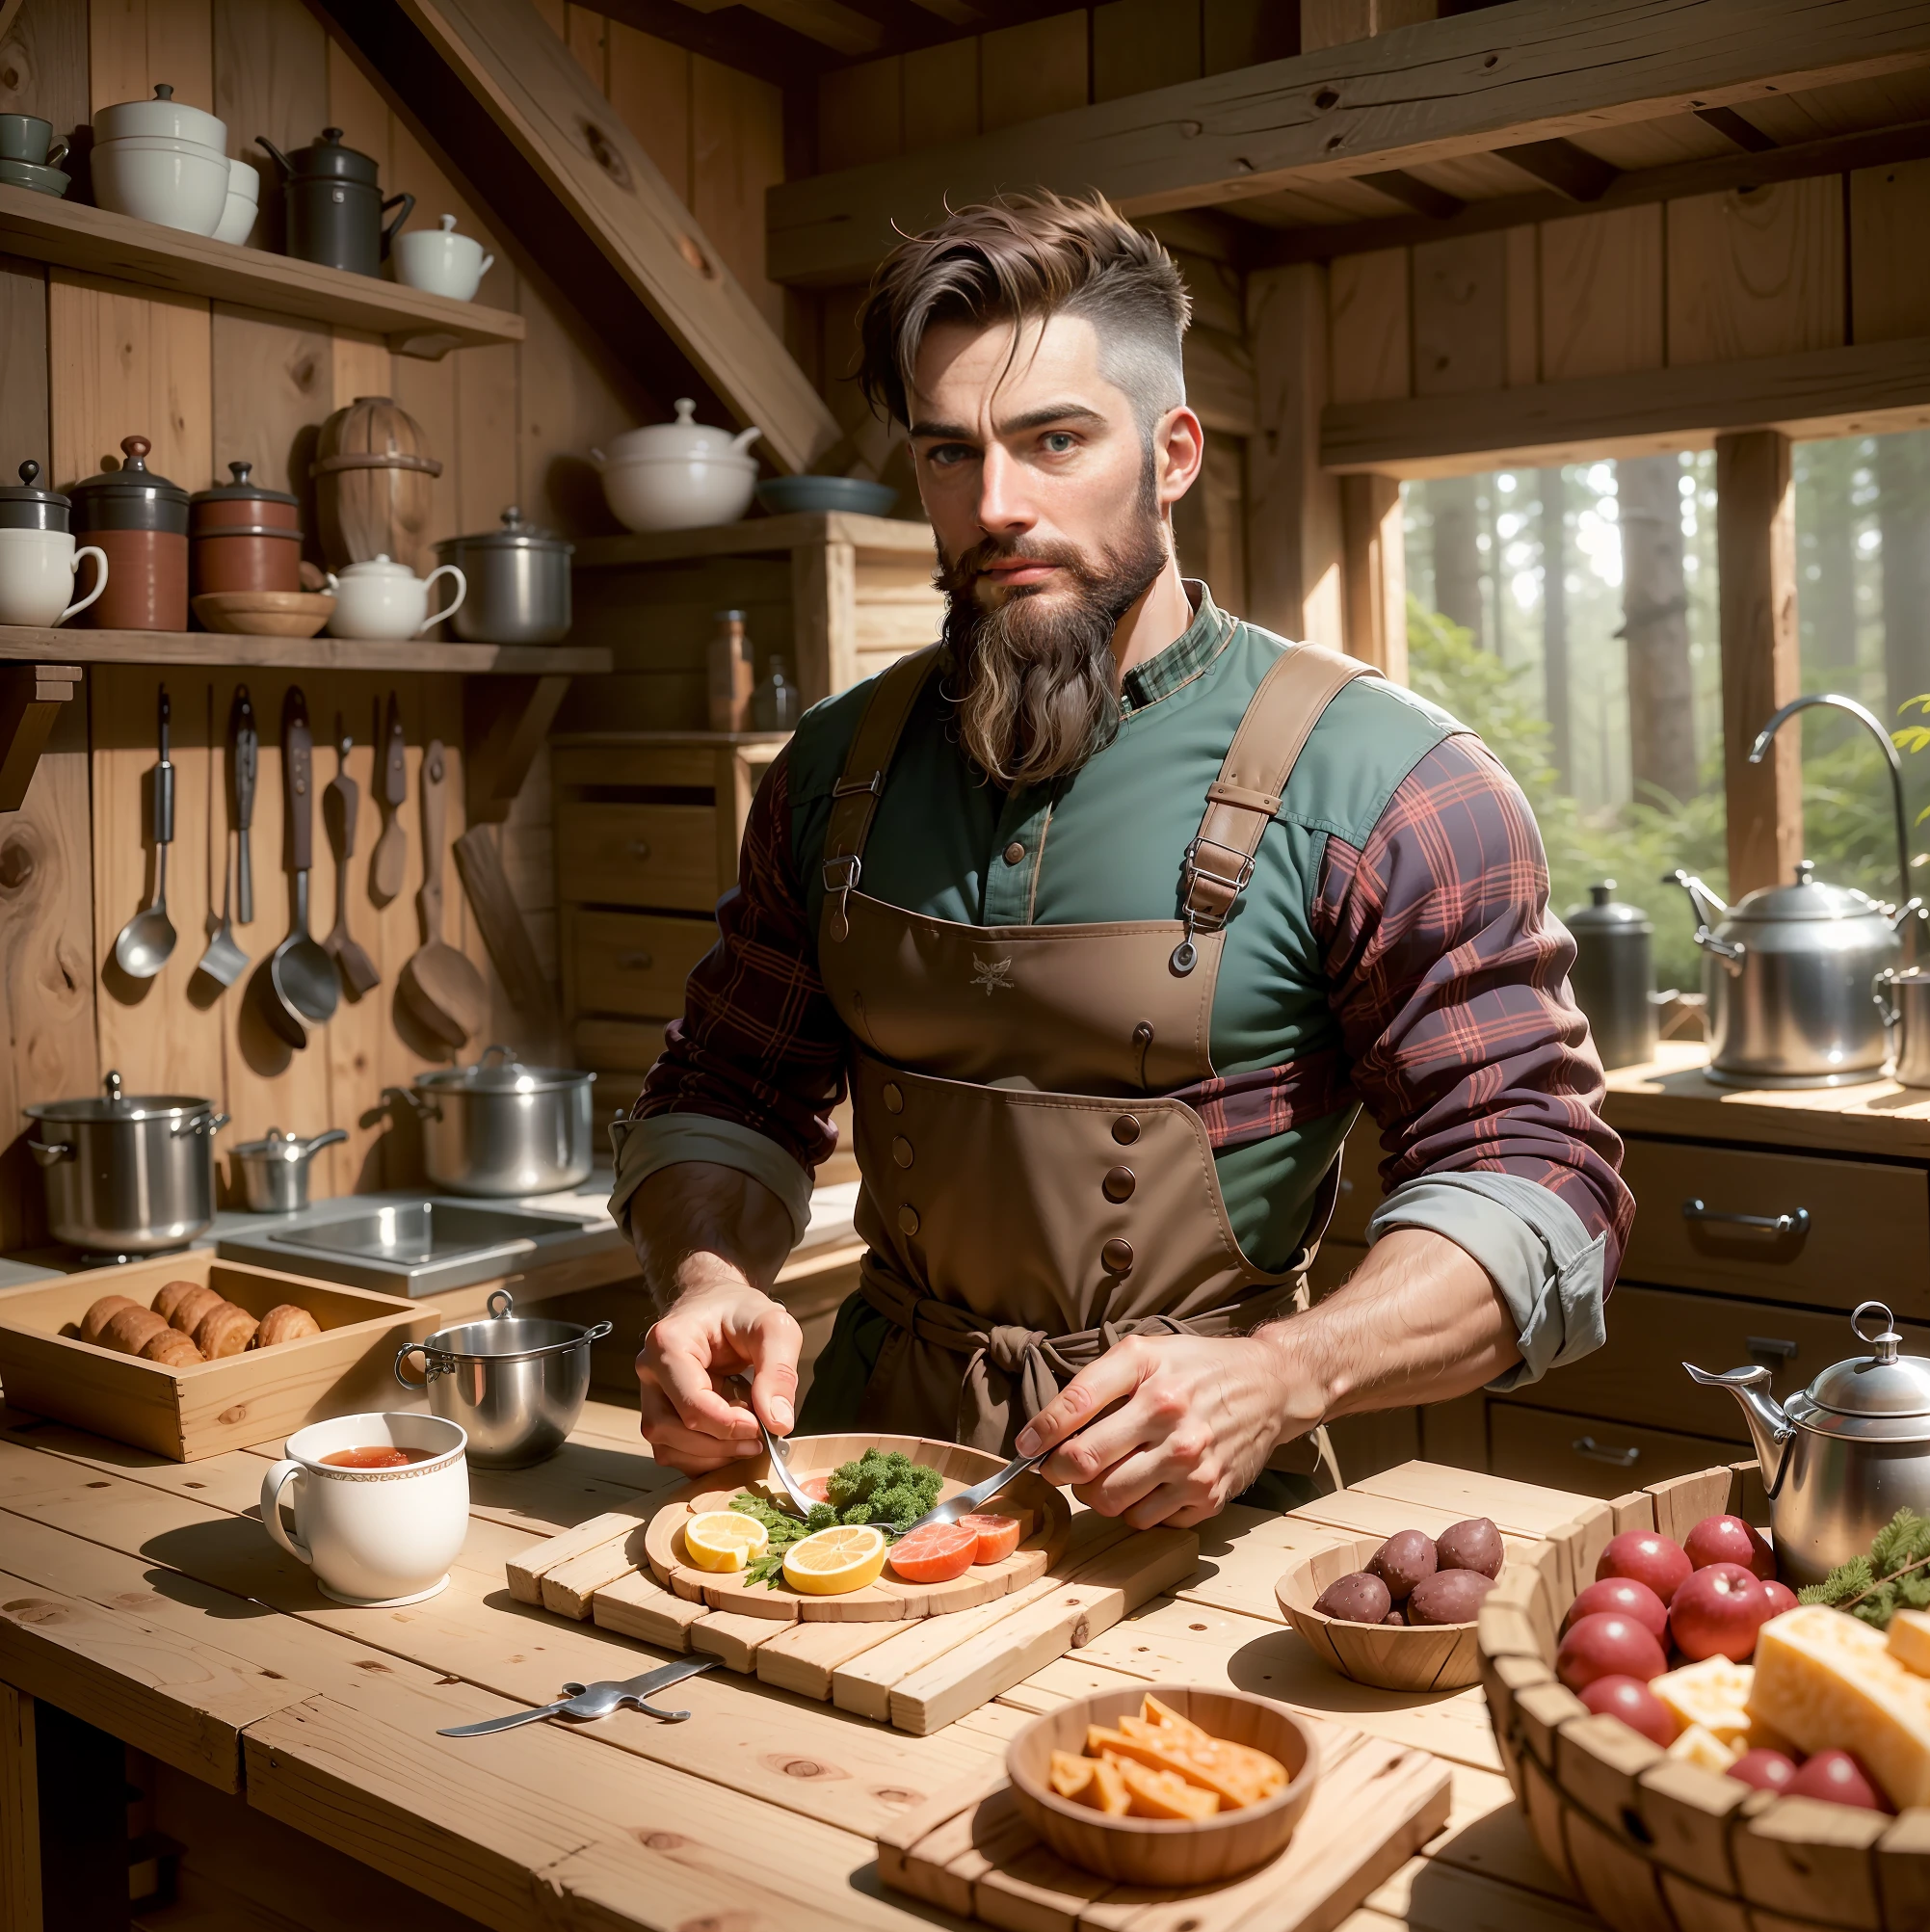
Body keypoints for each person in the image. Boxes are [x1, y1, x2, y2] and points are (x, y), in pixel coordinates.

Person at [611, 191, 1631, 1527]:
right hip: (858, 1480)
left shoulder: (1392, 781)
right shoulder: (828, 770)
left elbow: (1537, 1173)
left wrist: (1284, 1373)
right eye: (949, 454)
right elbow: (729, 1089)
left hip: (1202, 1505)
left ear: (1173, 455)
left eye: (1055, 442)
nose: (997, 505)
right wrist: (705, 1274)